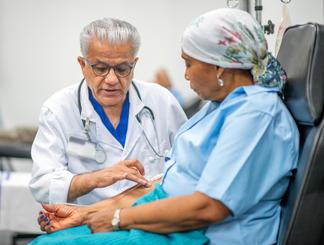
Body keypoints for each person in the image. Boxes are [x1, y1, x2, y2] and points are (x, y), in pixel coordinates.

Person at [32, 8, 299, 245]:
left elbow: (208, 206)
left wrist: (116, 218)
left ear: (219, 67)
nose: (184, 74)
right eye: (100, 68)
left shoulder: (255, 115)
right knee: (52, 240)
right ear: (83, 65)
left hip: (196, 232)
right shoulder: (220, 107)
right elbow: (170, 180)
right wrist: (87, 212)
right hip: (157, 217)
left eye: (189, 63)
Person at [29, 17, 187, 205]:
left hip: (153, 218)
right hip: (89, 224)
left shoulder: (162, 102)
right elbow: (42, 185)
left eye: (122, 69)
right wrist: (97, 178)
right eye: (101, 68)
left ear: (134, 65)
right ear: (82, 65)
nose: (111, 79)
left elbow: (189, 168)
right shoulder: (58, 110)